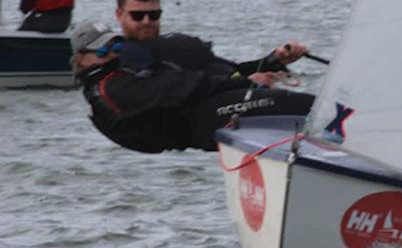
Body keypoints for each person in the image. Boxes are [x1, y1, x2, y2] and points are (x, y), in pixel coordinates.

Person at [71, 21, 314, 153]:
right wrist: (246, 82)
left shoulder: (127, 70)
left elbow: (216, 75)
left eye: (116, 46)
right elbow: (183, 87)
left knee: (289, 104)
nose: (111, 53)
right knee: (292, 104)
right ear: (82, 59)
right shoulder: (109, 89)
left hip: (207, 111)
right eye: (102, 50)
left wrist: (272, 61)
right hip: (198, 125)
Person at [114, 0, 307, 85]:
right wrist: (246, 83)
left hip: (241, 90)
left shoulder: (176, 45)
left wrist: (275, 59)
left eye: (154, 15)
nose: (147, 22)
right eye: (138, 16)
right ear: (120, 14)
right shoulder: (127, 55)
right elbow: (188, 87)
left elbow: (235, 71)